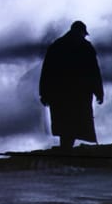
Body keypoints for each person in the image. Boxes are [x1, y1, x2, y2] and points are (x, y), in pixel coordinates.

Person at [39, 20, 104, 150]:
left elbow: (46, 71)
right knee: (71, 123)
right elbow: (94, 72)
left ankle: (66, 148)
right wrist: (98, 91)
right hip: (71, 93)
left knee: (68, 124)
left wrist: (44, 93)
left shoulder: (57, 46)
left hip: (66, 94)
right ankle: (66, 149)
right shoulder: (85, 48)